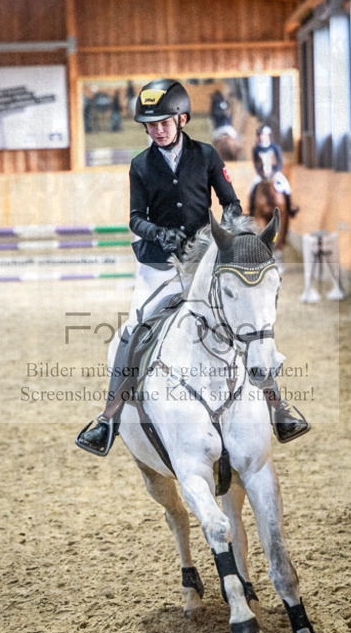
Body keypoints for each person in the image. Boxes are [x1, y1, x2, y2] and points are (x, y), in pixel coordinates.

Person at [75, 78, 308, 456]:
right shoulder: (140, 165)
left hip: (204, 260)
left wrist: (232, 230)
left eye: (164, 122)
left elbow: (231, 202)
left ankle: (277, 407)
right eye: (151, 125)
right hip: (159, 264)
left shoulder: (206, 156)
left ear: (181, 119)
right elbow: (135, 218)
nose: (158, 130)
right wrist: (158, 233)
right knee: (133, 331)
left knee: (249, 321)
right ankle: (109, 419)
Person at [249, 125, 298, 220]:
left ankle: (290, 208)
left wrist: (274, 172)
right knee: (251, 188)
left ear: (268, 136)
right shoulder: (256, 149)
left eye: (263, 135)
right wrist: (260, 173)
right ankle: (251, 210)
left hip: (275, 173)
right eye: (260, 135)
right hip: (261, 175)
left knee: (286, 186)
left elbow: (280, 162)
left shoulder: (275, 147)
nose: (262, 137)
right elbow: (255, 164)